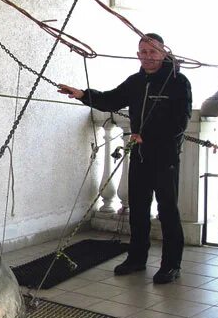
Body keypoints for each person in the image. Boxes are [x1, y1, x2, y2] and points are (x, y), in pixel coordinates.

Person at [57, 34, 192, 284]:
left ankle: (171, 265)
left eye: (153, 52)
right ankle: (136, 259)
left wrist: (149, 138)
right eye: (143, 51)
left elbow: (180, 123)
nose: (148, 56)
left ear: (164, 53)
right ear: (137, 54)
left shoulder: (178, 82)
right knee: (137, 210)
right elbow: (111, 99)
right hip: (140, 156)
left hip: (165, 157)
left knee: (167, 212)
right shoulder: (136, 82)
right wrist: (82, 94)